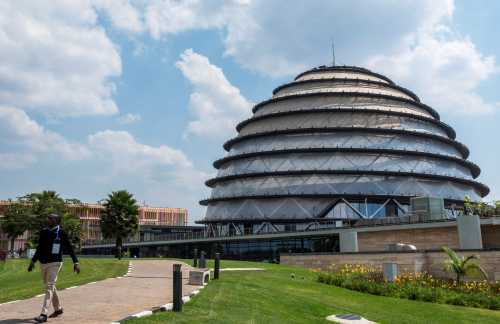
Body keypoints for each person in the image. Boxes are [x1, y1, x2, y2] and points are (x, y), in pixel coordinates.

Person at [28, 213, 80, 323]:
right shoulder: (44, 232)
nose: (48, 219)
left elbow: (70, 248)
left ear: (56, 220)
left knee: (49, 286)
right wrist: (33, 261)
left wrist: (75, 262)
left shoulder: (61, 233)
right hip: (43, 263)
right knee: (50, 286)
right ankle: (58, 309)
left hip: (55, 263)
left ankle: (44, 314)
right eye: (48, 217)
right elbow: (39, 248)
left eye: (50, 218)